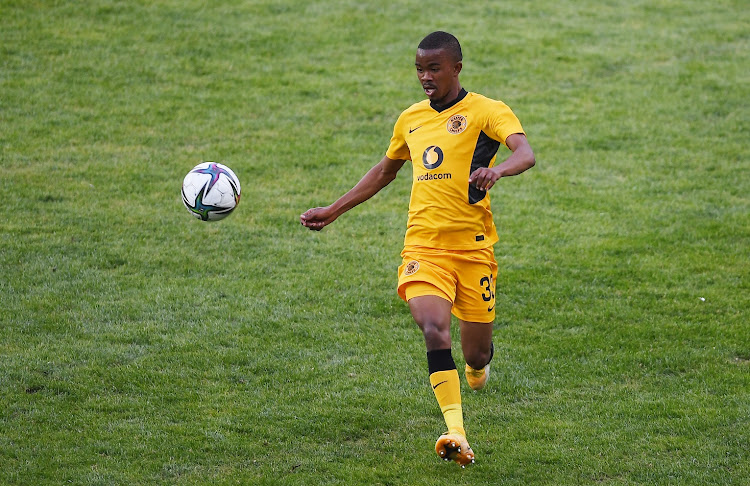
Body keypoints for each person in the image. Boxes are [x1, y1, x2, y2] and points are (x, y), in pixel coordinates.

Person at [300, 31, 535, 466]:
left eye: (434, 68)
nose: (425, 77)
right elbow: (384, 171)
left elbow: (526, 152)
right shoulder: (410, 118)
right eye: (419, 69)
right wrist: (335, 209)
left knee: (475, 351)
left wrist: (498, 171)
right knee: (432, 328)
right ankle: (456, 432)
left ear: (456, 69)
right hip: (423, 247)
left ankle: (478, 368)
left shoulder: (487, 111)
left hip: (474, 251)